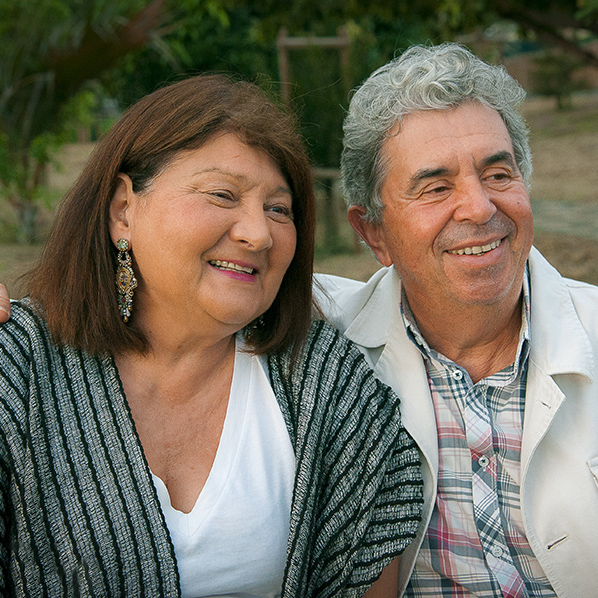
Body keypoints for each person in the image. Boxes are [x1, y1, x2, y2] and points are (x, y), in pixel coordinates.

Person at [0, 74, 424, 597]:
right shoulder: (17, 372)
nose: (259, 233)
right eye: (222, 194)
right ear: (122, 210)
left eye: (279, 209)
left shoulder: (326, 387)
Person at [314, 42, 598, 596]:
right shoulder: (326, 358)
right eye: (436, 188)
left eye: (498, 174)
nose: (479, 208)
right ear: (374, 233)